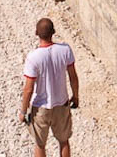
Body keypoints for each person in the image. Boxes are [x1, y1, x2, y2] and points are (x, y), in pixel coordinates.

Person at [21, 18, 78, 157]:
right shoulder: (65, 50)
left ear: (36, 33)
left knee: (40, 144)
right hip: (62, 104)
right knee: (64, 141)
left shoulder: (33, 57)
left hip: (41, 107)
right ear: (53, 32)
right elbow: (73, 77)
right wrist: (76, 96)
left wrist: (23, 111)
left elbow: (28, 89)